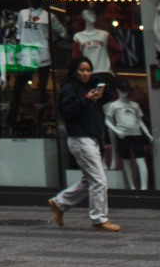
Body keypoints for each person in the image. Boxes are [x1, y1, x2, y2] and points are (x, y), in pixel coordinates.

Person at [49, 56, 120, 231]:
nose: (86, 73)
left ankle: (59, 203)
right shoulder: (69, 88)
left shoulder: (89, 86)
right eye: (82, 70)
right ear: (74, 71)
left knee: (90, 180)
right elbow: (67, 111)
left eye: (89, 70)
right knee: (99, 180)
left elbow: (108, 95)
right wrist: (87, 100)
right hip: (80, 138)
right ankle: (99, 220)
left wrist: (96, 80)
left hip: (90, 138)